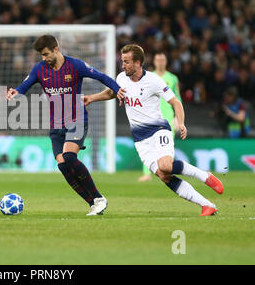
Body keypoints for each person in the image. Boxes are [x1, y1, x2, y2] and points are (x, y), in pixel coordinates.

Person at [83, 44, 223, 216]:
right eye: (122, 61)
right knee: (164, 176)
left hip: (159, 130)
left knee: (165, 166)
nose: (123, 65)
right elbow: (111, 93)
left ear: (137, 62)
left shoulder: (154, 81)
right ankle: (207, 205)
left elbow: (175, 102)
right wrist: (92, 98)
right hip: (140, 139)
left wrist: (182, 123)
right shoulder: (121, 78)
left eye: (126, 62)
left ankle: (205, 176)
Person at [7, 35, 125, 216]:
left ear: (56, 49)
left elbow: (101, 77)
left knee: (69, 157)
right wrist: (16, 92)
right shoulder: (39, 69)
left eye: (46, 54)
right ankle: (92, 203)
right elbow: (25, 85)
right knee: (62, 165)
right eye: (41, 55)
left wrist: (117, 90)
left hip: (77, 120)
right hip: (56, 125)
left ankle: (99, 198)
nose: (44, 58)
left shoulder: (75, 65)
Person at [138, 52, 182, 182]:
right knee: (149, 144)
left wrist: (177, 118)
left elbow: (177, 98)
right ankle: (147, 173)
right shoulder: (148, 77)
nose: (160, 62)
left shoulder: (173, 78)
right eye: (158, 60)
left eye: (162, 60)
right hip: (151, 115)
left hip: (168, 116)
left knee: (168, 145)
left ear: (166, 61)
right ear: (154, 62)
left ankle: (167, 170)